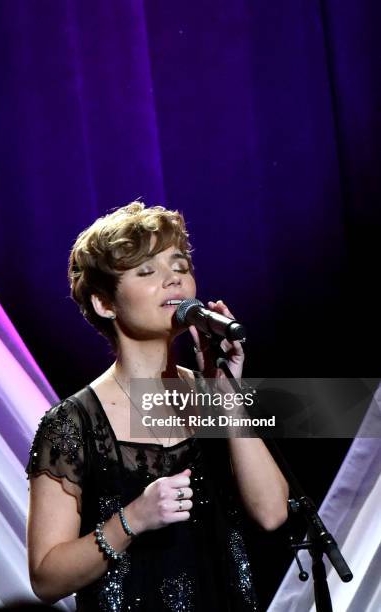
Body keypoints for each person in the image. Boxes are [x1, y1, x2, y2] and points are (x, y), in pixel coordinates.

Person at [25, 201, 289, 611]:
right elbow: (46, 576)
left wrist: (226, 394)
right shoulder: (71, 423)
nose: (173, 281)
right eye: (147, 271)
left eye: (180, 267)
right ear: (104, 304)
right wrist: (133, 519)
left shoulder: (211, 392)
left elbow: (271, 513)